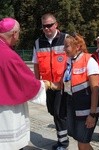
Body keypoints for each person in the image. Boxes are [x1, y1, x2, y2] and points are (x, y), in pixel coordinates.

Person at [0, 17, 49, 150]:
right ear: (14, 34)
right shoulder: (8, 55)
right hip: (6, 110)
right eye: (19, 33)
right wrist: (44, 85)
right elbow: (25, 81)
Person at [32, 12, 69, 150]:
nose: (47, 28)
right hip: (48, 86)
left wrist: (67, 82)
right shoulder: (38, 42)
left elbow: (73, 60)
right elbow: (36, 64)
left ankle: (63, 142)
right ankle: (63, 133)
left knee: (59, 113)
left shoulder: (66, 39)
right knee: (53, 112)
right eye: (44, 26)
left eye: (49, 25)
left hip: (62, 85)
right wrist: (37, 84)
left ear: (56, 25)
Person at [62, 33, 99, 150]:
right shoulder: (69, 61)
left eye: (67, 46)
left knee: (83, 142)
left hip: (87, 110)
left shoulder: (89, 60)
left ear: (78, 47)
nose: (64, 49)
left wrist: (92, 114)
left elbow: (95, 90)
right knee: (80, 140)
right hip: (74, 107)